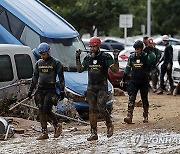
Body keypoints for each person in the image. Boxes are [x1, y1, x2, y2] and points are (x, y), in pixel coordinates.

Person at [76, 37, 120, 141]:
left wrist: (116, 58)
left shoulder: (105, 57)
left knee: (101, 108)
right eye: (90, 46)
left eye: (94, 46)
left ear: (98, 46)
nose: (92, 48)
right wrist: (77, 58)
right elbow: (79, 69)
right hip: (91, 87)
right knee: (92, 110)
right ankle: (93, 133)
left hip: (102, 87)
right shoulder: (87, 58)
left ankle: (109, 125)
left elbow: (116, 70)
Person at [28, 42, 65, 140]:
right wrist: (30, 90)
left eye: (44, 54)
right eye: (41, 54)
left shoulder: (56, 63)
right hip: (40, 89)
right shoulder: (38, 63)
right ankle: (44, 132)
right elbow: (35, 78)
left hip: (50, 89)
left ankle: (57, 125)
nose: (42, 56)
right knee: (40, 110)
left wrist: (62, 91)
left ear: (48, 52)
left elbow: (61, 78)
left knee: (47, 109)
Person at [120, 40, 156, 124]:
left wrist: (148, 50)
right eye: (135, 49)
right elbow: (127, 68)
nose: (137, 51)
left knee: (144, 98)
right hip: (134, 80)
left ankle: (145, 115)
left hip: (144, 80)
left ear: (141, 49)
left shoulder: (146, 56)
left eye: (138, 49)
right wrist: (123, 79)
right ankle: (129, 116)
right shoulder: (132, 57)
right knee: (131, 98)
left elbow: (153, 57)